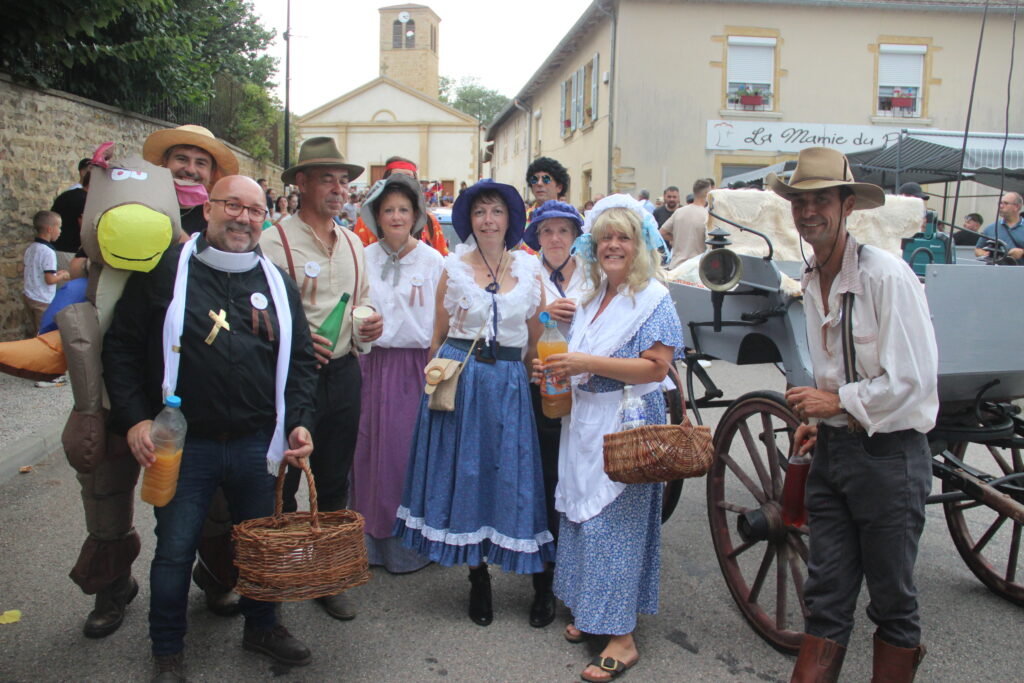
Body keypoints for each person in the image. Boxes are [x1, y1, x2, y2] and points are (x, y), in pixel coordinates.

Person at [102, 175, 318, 681]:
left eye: (254, 210)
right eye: (232, 206)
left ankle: (262, 626)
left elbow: (302, 360)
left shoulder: (275, 281)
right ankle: (167, 650)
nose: (243, 218)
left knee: (261, 546)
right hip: (185, 442)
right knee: (175, 551)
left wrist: (300, 422)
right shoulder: (165, 272)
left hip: (255, 442)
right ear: (207, 210)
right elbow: (122, 349)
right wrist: (135, 417)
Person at [767, 147, 937, 682]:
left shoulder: (886, 276)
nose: (808, 211)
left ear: (846, 206)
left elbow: (913, 381)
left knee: (892, 602)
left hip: (889, 459)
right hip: (835, 455)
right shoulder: (812, 275)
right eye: (800, 201)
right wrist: (822, 420)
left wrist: (837, 402)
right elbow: (832, 368)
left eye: (821, 200)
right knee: (826, 597)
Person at [533, 194, 681, 683]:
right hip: (586, 420)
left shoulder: (653, 297)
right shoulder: (594, 298)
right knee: (580, 516)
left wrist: (585, 364)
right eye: (604, 239)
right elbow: (577, 353)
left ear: (640, 245)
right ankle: (591, 612)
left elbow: (657, 366)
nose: (613, 246)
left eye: (623, 237)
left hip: (628, 423)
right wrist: (554, 363)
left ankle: (621, 638)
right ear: (592, 247)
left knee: (614, 527)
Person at [394, 179, 554, 627]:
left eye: (496, 212)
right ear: (470, 219)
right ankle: (477, 575)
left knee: (513, 473)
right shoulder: (454, 267)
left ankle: (538, 579)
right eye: (481, 212)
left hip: (507, 381)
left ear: (510, 220)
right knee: (467, 472)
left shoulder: (528, 267)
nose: (488, 220)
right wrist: (434, 383)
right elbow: (439, 334)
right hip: (461, 379)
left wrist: (529, 377)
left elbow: (535, 336)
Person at [260, 136, 383, 621]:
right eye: (327, 179)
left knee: (334, 479)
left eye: (344, 181)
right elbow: (256, 315)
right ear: (302, 183)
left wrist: (370, 324)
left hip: (346, 372)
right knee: (282, 477)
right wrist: (287, 343)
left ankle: (326, 576)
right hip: (292, 379)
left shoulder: (354, 242)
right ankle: (279, 572)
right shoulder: (272, 240)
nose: (339, 189)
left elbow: (364, 301)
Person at [349, 174, 443, 574]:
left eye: (404, 209)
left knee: (405, 455)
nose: (396, 216)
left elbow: (443, 320)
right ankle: (365, 544)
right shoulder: (362, 257)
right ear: (376, 215)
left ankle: (408, 546)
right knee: (364, 453)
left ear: (416, 214)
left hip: (414, 367)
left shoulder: (433, 260)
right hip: (369, 364)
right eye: (388, 209)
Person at [520, 199, 589, 627]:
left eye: (563, 231)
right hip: (541, 387)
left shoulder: (594, 272)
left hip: (585, 391)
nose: (556, 239)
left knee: (582, 484)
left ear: (575, 236)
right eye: (547, 232)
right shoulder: (525, 273)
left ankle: (582, 581)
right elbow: (511, 324)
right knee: (546, 485)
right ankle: (543, 586)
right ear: (537, 238)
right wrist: (544, 315)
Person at [142, 124, 240, 236]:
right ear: (165, 162)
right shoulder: (140, 203)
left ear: (212, 172)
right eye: (182, 159)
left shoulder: (219, 220)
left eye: (200, 163)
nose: (190, 170)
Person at [350, 157, 449, 255]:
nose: (403, 182)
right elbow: (358, 262)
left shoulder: (429, 221)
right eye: (397, 176)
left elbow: (442, 259)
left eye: (408, 177)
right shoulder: (365, 222)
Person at [22, 210, 70, 336]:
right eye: (59, 227)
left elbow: (36, 270)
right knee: (42, 333)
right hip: (42, 300)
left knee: (34, 329)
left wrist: (55, 274)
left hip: (29, 296)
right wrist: (62, 275)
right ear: (50, 229)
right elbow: (49, 280)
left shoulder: (31, 247)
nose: (61, 231)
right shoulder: (49, 252)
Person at [662, 178, 713, 269]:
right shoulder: (707, 216)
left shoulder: (679, 212)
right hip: (695, 268)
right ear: (707, 194)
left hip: (676, 266)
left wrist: (675, 239)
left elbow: (662, 232)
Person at [974, 192, 1024, 261]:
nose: (1001, 206)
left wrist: (1022, 252)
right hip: (997, 271)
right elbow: (978, 249)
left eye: (1005, 203)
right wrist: (986, 254)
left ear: (1016, 207)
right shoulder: (990, 228)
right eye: (1000, 203)